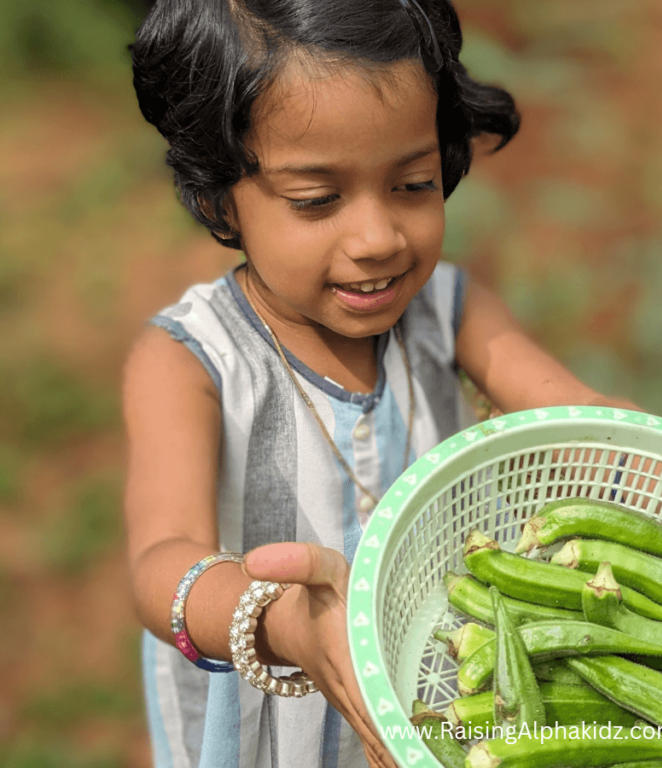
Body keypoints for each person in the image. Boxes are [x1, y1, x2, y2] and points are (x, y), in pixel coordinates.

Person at [124, 1, 636, 767]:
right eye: (316, 200)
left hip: (445, 706)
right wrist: (279, 620)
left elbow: (578, 418)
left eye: (413, 184)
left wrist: (622, 440)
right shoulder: (193, 361)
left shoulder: (450, 312)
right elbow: (161, 563)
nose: (377, 239)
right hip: (277, 726)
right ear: (218, 195)